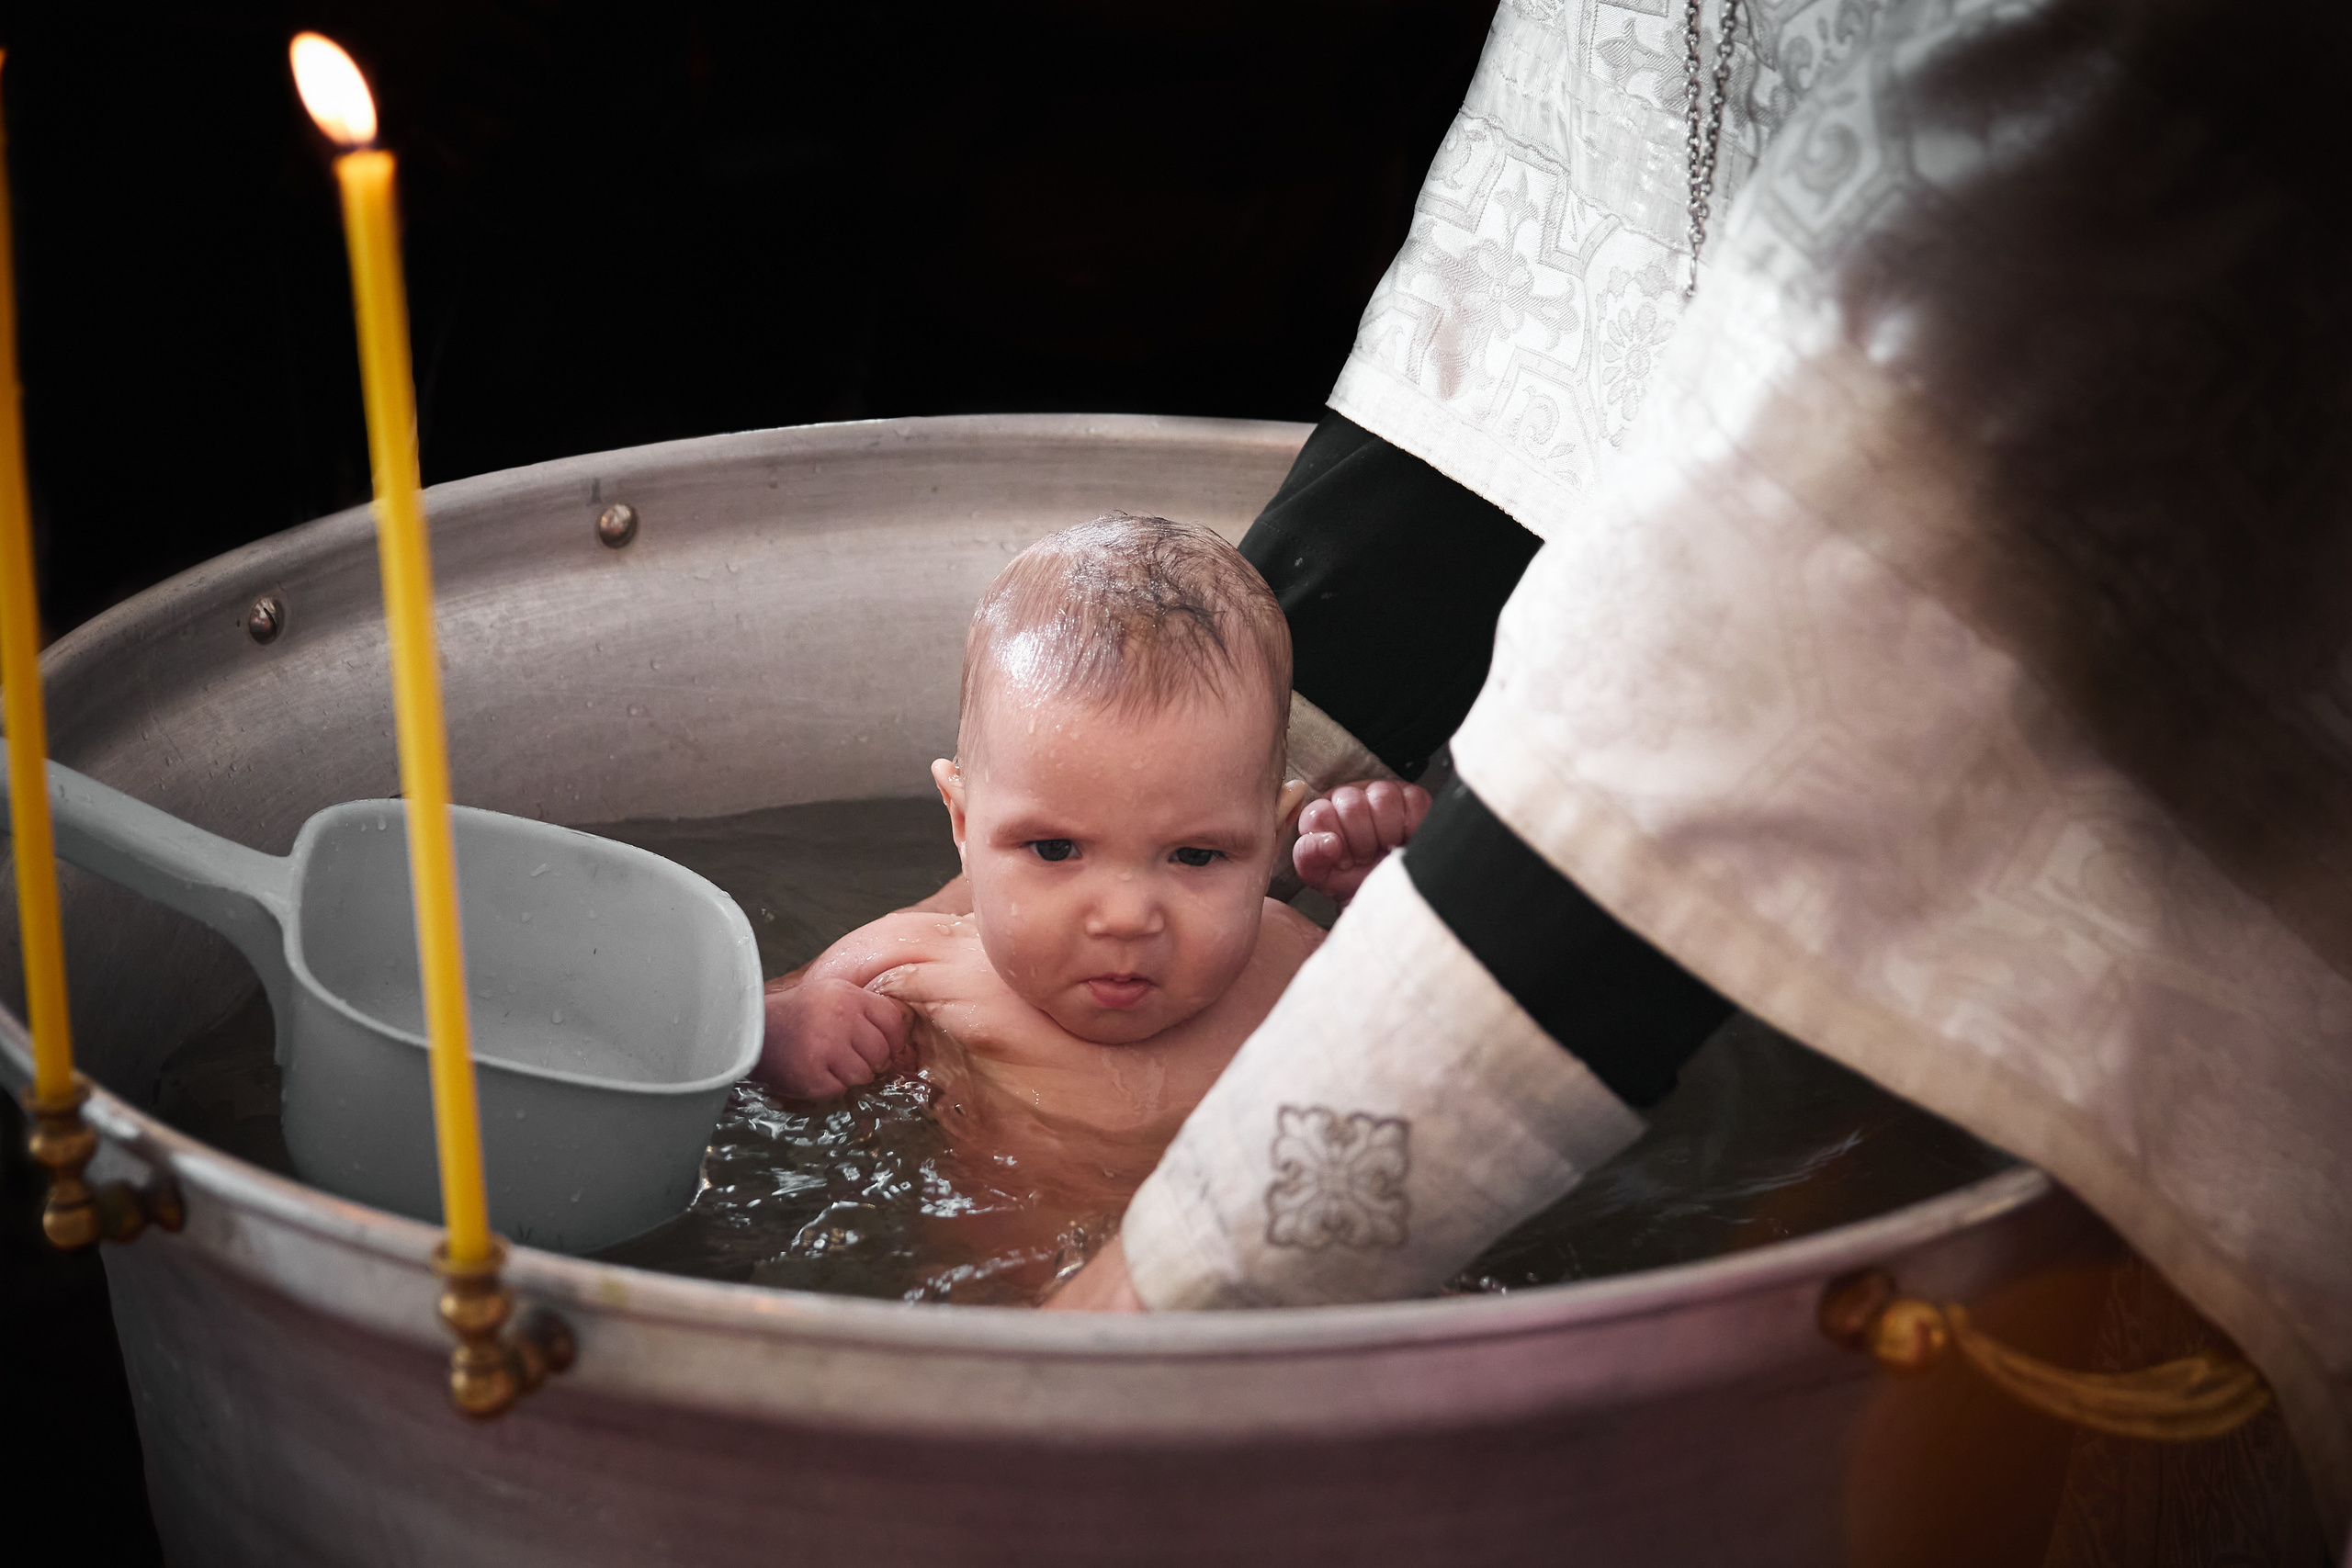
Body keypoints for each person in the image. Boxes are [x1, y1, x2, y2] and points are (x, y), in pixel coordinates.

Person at [755, 514, 1427, 1247]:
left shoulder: (1295, 964)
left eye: (1196, 855)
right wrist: (785, 1040)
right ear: (963, 822)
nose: (1126, 916)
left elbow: (1432, 1054)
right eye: (1055, 848)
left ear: (1273, 838)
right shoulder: (913, 971)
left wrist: (1395, 913)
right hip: (1016, 1299)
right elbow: (720, 1038)